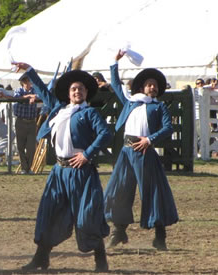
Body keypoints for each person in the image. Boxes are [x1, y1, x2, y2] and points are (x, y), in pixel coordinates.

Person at [14, 62, 112, 272]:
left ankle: (101, 260)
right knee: (49, 214)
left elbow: (106, 134)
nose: (77, 91)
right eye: (74, 89)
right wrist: (29, 70)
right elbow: (42, 90)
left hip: (81, 173)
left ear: (87, 93)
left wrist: (87, 154)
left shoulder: (89, 113)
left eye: (81, 89)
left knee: (87, 217)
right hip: (59, 173)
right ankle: (41, 258)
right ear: (68, 93)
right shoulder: (59, 110)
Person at [103, 50, 178, 251]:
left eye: (155, 85)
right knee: (119, 190)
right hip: (126, 152)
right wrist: (114, 62)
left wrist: (149, 139)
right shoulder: (130, 102)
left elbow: (167, 128)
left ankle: (159, 236)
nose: (152, 87)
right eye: (149, 84)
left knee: (152, 192)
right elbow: (116, 85)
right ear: (142, 87)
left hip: (145, 151)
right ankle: (118, 231)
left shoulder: (159, 107)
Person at [13, 74, 38, 174]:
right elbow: (18, 98)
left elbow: (40, 95)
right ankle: (24, 168)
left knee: (31, 147)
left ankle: (28, 167)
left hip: (32, 122)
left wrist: (34, 96)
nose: (27, 83)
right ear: (22, 83)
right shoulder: (18, 90)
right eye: (25, 81)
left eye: (29, 81)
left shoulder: (35, 90)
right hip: (21, 121)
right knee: (20, 146)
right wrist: (30, 96)